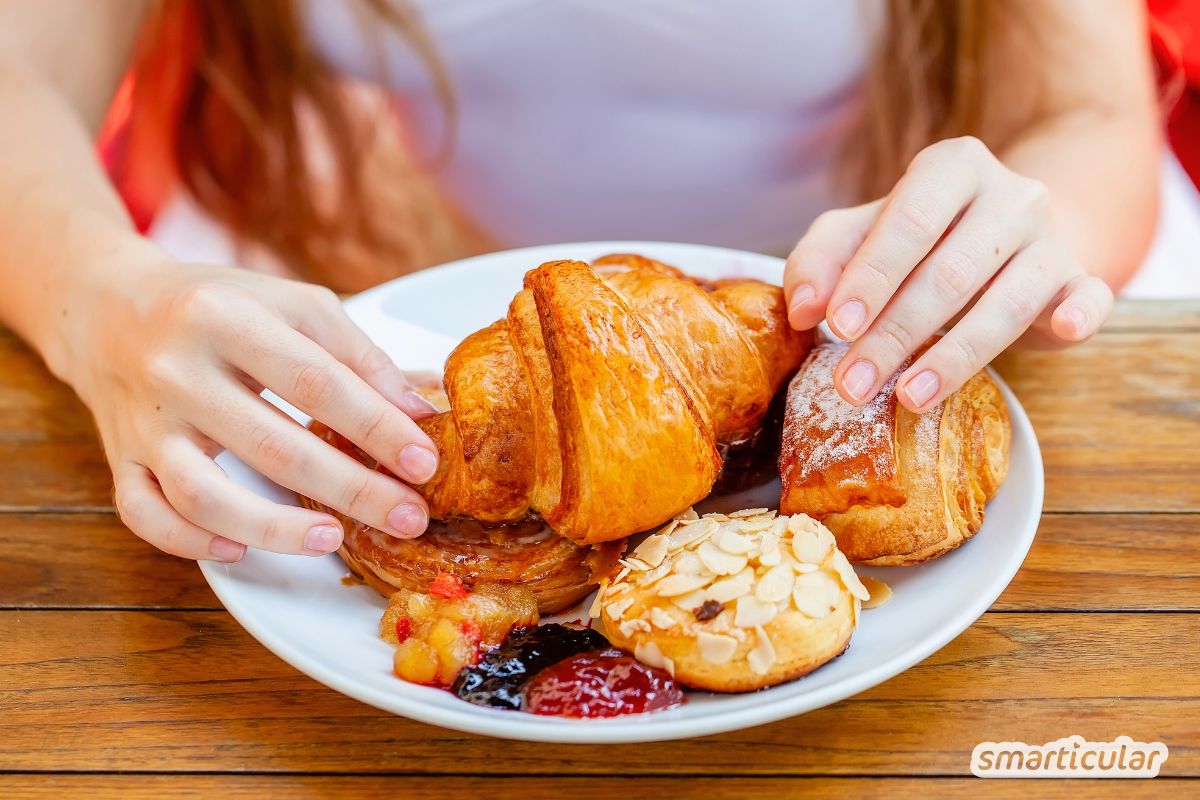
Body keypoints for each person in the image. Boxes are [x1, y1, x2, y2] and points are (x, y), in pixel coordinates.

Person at [0, 1, 1162, 563]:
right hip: (376, 329)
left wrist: (1016, 220)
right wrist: (92, 285)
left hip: (850, 356)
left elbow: (1089, 114)